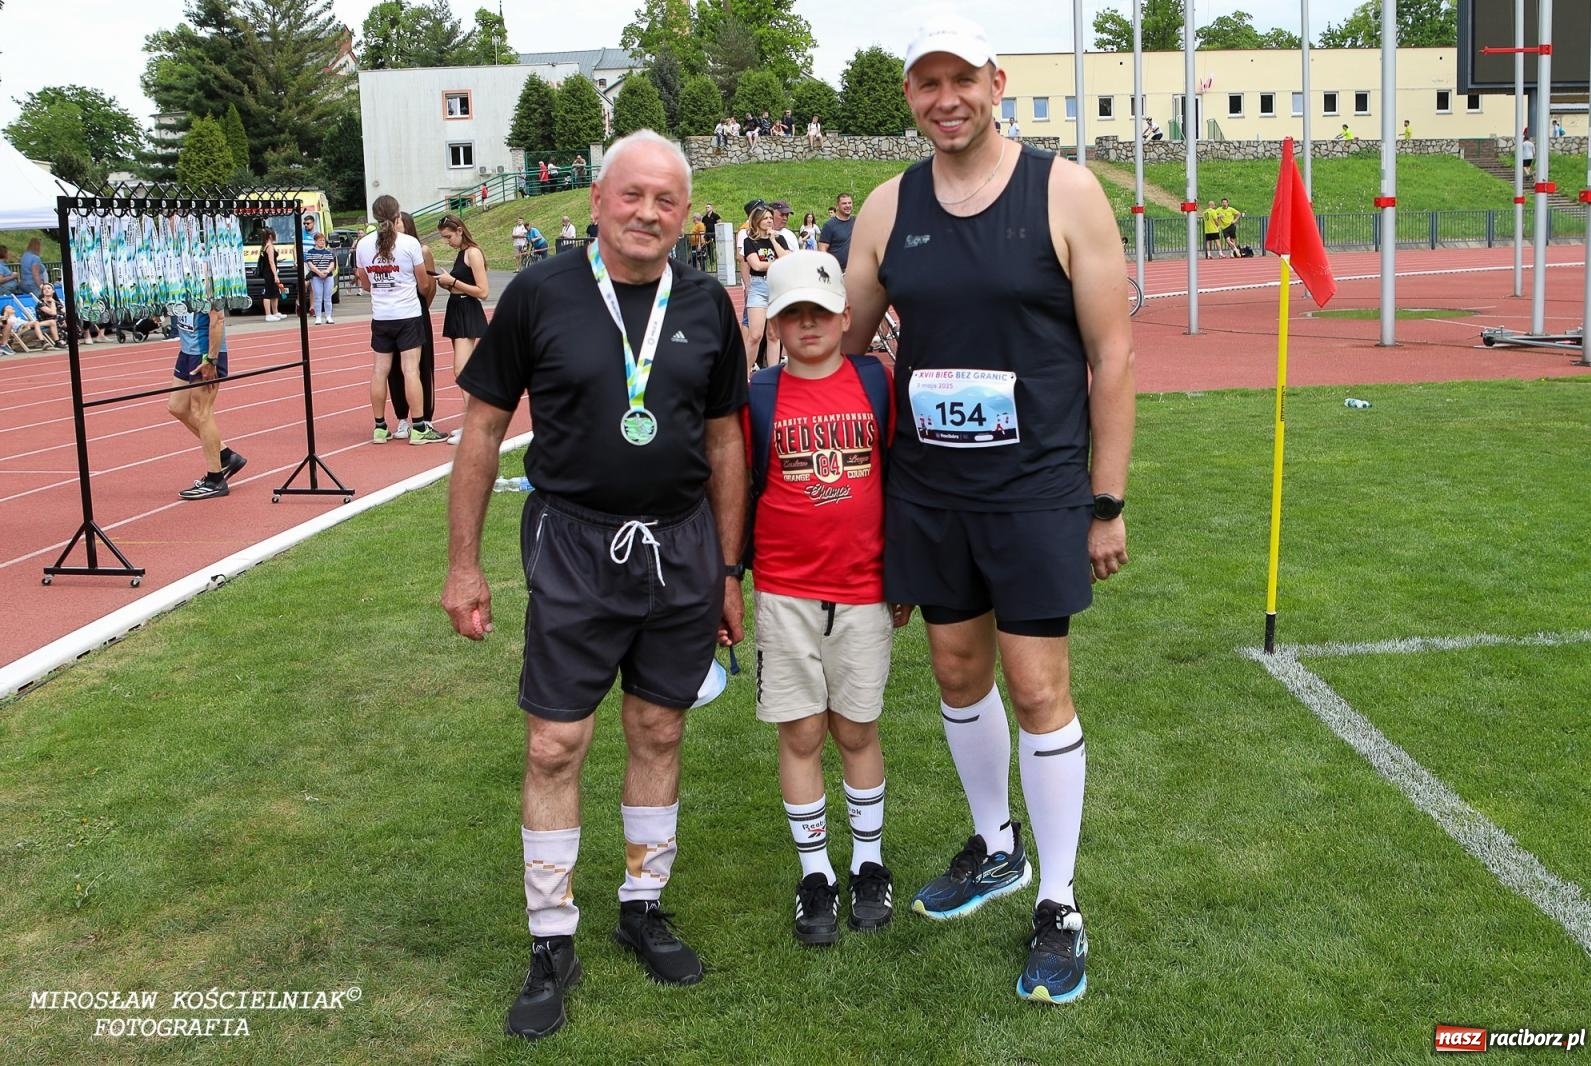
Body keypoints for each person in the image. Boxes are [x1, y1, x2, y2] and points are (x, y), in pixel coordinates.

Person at [840, 11, 1133, 1006]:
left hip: (1036, 486)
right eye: (925, 82)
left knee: (1037, 683)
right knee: (956, 673)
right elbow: (841, 341)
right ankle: (995, 843)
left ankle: (1058, 901)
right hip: (929, 487)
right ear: (909, 95)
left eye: (960, 78)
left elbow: (1113, 355)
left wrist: (1106, 498)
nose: (944, 98)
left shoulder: (1067, 192)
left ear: (996, 81)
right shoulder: (887, 207)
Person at [440, 129, 748, 1042]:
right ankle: (550, 936)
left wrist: (730, 569)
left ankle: (642, 905)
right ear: (599, 199)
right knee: (554, 747)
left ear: (685, 214)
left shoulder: (708, 302)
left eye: (667, 200)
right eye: (632, 196)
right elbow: (483, 432)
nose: (649, 213)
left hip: (685, 550)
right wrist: (464, 562)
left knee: (658, 726)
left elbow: (728, 441)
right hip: (575, 549)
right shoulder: (539, 293)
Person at [746, 248, 907, 946]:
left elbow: (899, 478)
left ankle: (869, 861)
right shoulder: (758, 396)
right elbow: (741, 488)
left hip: (865, 587)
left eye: (819, 311)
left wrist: (904, 572)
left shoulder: (876, 380)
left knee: (857, 729)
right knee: (802, 732)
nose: (807, 324)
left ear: (846, 315)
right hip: (785, 590)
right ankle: (817, 873)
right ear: (775, 325)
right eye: (791, 315)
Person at [356, 194, 442, 445]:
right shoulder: (409, 244)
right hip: (407, 314)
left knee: (379, 371)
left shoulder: (362, 245)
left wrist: (382, 287)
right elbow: (423, 283)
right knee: (410, 370)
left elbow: (364, 282)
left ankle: (380, 427)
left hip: (381, 315)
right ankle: (418, 427)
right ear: (397, 216)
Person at [167, 265, 247, 500]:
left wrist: (211, 358)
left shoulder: (207, 273)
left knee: (202, 412)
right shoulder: (177, 268)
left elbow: (218, 319)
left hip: (204, 352)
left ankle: (215, 479)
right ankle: (226, 456)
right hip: (187, 349)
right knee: (177, 407)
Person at [436, 214, 490, 445]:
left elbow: (483, 291)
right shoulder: (462, 253)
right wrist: (446, 283)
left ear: (459, 230)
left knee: (461, 370)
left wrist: (453, 282)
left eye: (448, 236)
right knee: (463, 370)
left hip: (468, 310)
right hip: (457, 309)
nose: (447, 241)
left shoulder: (473, 253)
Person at [389, 211, 439, 442]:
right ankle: (401, 418)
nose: (394, 225)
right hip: (393, 313)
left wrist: (421, 310)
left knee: (421, 366)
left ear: (407, 225)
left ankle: (425, 418)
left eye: (397, 221)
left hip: (416, 312)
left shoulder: (422, 250)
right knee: (394, 369)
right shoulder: (386, 250)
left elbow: (428, 287)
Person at [742, 205, 789, 372]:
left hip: (777, 286)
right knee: (755, 335)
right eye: (765, 218)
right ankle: (745, 372)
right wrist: (777, 263)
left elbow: (787, 258)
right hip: (759, 287)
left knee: (774, 334)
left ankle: (773, 372)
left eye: (770, 218)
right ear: (757, 221)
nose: (769, 221)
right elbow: (756, 264)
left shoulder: (779, 239)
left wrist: (773, 240)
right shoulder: (749, 242)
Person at [304, 231, 337, 324]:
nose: (322, 242)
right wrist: (319, 272)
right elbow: (310, 264)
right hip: (316, 276)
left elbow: (332, 263)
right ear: (315, 241)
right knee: (318, 297)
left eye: (323, 240)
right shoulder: (310, 252)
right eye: (320, 240)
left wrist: (327, 271)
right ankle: (318, 317)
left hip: (328, 276)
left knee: (328, 297)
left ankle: (328, 316)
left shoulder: (328, 252)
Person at [817, 193, 856, 272]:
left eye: (849, 203)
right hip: (837, 271)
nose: (848, 205)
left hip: (854, 270)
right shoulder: (829, 225)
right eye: (844, 203)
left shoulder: (857, 221)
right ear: (837, 206)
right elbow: (822, 248)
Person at [258, 230, 284, 321]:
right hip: (269, 272)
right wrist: (275, 275)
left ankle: (275, 312)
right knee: (268, 292)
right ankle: (268, 314)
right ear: (270, 236)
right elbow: (271, 261)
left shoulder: (265, 246)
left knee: (275, 292)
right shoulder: (269, 247)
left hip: (269, 272)